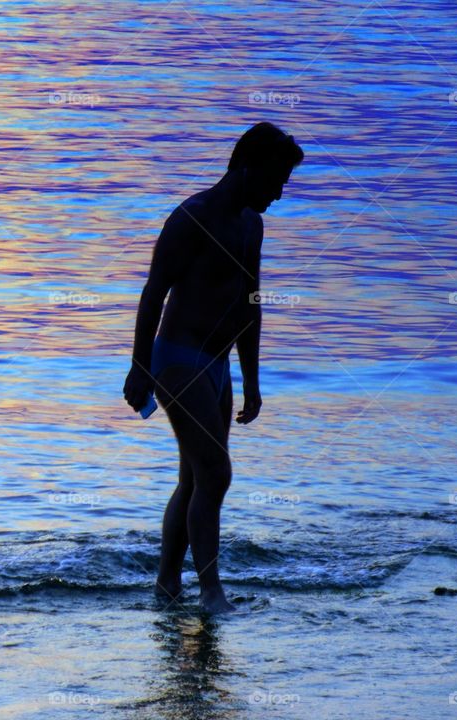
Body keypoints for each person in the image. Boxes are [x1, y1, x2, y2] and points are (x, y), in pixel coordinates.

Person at [123, 122, 304, 614]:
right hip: (178, 360)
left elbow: (251, 303)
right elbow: (152, 293)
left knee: (196, 478)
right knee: (216, 473)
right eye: (277, 181)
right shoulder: (191, 218)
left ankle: (166, 587)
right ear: (249, 169)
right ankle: (211, 593)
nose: (279, 194)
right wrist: (139, 368)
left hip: (218, 365)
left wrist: (252, 381)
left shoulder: (251, 224)